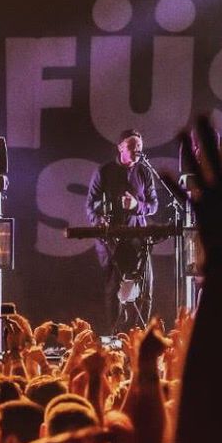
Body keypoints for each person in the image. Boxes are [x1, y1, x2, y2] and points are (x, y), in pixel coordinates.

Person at [86, 128, 158, 332]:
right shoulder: (104, 171)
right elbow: (90, 204)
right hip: (111, 241)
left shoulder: (144, 171)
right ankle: (114, 334)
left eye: (140, 148)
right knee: (114, 289)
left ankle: (140, 333)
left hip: (138, 237)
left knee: (146, 287)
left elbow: (153, 205)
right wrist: (98, 219)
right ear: (120, 147)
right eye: (132, 147)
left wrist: (137, 206)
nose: (137, 151)